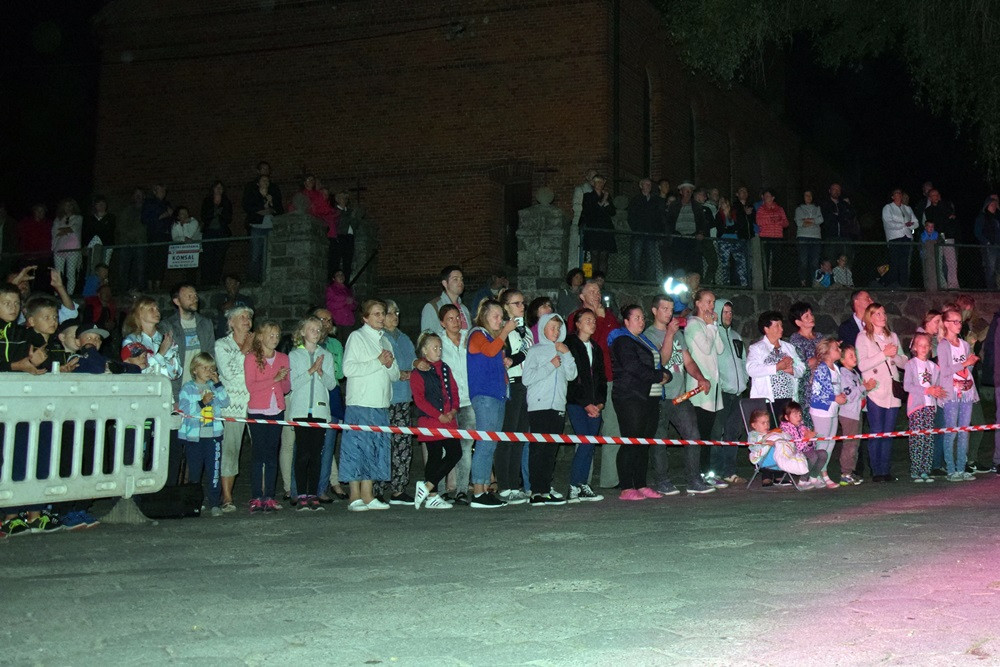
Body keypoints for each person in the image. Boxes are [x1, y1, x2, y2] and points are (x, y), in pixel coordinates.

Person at [643, 295, 715, 495]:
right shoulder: (648, 334)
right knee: (660, 439)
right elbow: (660, 361)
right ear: (655, 311)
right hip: (659, 395)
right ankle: (662, 481)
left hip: (680, 396)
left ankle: (693, 479)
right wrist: (668, 335)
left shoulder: (678, 334)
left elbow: (688, 361)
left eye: (671, 309)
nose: (668, 313)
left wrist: (701, 378)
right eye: (664, 309)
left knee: (693, 435)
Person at [340, 300, 400, 511]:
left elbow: (394, 374)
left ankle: (368, 493)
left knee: (375, 448)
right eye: (376, 314)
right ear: (365, 317)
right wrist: (377, 361)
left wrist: (389, 363)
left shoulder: (386, 341)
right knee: (357, 448)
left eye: (383, 313)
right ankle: (354, 494)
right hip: (361, 402)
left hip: (380, 403)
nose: (381, 317)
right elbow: (348, 369)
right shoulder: (357, 337)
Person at [607, 304, 670, 500]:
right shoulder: (622, 341)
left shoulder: (643, 341)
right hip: (630, 397)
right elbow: (633, 367)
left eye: (643, 318)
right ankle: (626, 486)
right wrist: (659, 375)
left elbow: (654, 365)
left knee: (644, 442)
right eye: (636, 318)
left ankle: (641, 484)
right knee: (631, 440)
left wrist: (665, 374)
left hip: (649, 397)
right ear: (626, 322)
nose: (641, 321)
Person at [567, 279, 621, 488]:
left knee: (612, 429)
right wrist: (597, 320)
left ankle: (610, 479)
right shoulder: (576, 318)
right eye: (591, 291)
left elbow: (616, 340)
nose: (596, 294)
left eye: (598, 291)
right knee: (586, 434)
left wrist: (604, 318)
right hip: (587, 384)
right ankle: (582, 480)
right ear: (581, 296)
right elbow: (587, 344)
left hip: (608, 379)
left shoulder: (608, 316)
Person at [466, 299, 517, 508]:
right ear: (484, 317)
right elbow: (487, 351)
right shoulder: (477, 333)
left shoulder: (492, 338)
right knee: (485, 443)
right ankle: (478, 491)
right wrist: (505, 332)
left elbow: (492, 356)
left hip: (497, 396)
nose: (500, 320)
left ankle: (485, 488)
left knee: (491, 444)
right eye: (495, 316)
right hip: (485, 396)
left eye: (501, 316)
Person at [522, 313, 577, 505]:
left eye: (558, 328)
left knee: (551, 450)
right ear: (543, 328)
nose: (556, 331)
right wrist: (550, 365)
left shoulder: (563, 350)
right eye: (552, 327)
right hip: (539, 406)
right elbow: (527, 379)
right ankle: (536, 491)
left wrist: (567, 353)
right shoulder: (535, 351)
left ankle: (546, 489)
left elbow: (572, 375)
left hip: (558, 406)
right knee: (538, 449)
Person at [746, 310, 806, 484]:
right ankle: (766, 473)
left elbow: (801, 369)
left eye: (781, 324)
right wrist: (777, 367)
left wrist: (791, 370)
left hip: (786, 398)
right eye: (776, 325)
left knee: (784, 435)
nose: (781, 328)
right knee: (768, 435)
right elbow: (751, 369)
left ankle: (781, 470)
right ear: (766, 328)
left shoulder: (789, 347)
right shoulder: (757, 348)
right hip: (768, 399)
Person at [287, 316, 338, 510]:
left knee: (317, 454)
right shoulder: (294, 355)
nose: (316, 333)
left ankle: (313, 494)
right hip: (300, 411)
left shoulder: (326, 355)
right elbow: (292, 384)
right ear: (302, 332)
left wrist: (320, 372)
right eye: (311, 329)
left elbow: (332, 384)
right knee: (302, 454)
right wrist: (311, 370)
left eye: (318, 330)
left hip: (319, 410)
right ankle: (300, 494)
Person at [855, 302, 907, 482]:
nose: (882, 316)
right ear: (869, 317)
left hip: (892, 391)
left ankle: (885, 469)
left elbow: (904, 362)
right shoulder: (863, 338)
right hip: (875, 390)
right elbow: (862, 364)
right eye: (877, 313)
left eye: (883, 313)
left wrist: (895, 356)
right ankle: (876, 470)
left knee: (889, 432)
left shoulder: (892, 336)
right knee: (877, 430)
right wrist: (884, 354)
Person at [409, 332, 462, 510]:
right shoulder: (419, 372)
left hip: (449, 420)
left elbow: (454, 391)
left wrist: (453, 410)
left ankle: (427, 487)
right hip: (431, 420)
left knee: (455, 452)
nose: (438, 351)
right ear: (424, 350)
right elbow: (419, 400)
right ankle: (432, 495)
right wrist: (439, 415)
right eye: (434, 348)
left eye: (440, 347)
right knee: (434, 455)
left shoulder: (445, 367)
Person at [243, 320, 291, 513]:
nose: (275, 339)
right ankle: (256, 496)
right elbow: (251, 386)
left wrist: (283, 380)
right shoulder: (251, 358)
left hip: (277, 410)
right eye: (270, 335)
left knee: (272, 454)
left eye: (277, 335)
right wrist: (274, 379)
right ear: (260, 337)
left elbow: (287, 388)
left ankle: (270, 495)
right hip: (257, 410)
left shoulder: (283, 358)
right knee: (258, 455)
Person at [177, 352, 230, 517]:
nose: (208, 371)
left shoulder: (214, 387)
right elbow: (184, 410)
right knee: (194, 472)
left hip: (213, 436)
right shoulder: (188, 388)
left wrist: (218, 384)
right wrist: (202, 402)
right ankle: (195, 503)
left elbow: (225, 402)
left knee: (214, 470)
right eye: (204, 368)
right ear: (194, 370)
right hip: (194, 437)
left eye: (211, 368)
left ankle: (214, 502)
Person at [683, 289, 727, 487]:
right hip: (700, 390)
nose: (711, 306)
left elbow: (719, 349)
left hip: (714, 389)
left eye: (713, 302)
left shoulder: (708, 325)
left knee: (709, 434)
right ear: (699, 304)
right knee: (701, 432)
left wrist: (714, 325)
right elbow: (706, 347)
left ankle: (707, 472)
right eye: (708, 301)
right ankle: (698, 473)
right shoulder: (693, 325)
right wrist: (710, 326)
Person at [376, 300, 416, 505]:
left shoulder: (405, 339)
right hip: (384, 398)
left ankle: (399, 489)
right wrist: (397, 373)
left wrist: (416, 368)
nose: (394, 317)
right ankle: (377, 488)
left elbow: (412, 362)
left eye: (397, 312)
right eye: (390, 313)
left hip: (403, 398)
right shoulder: (378, 338)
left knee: (402, 445)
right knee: (382, 443)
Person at [214, 305, 253, 512]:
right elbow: (228, 373)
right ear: (231, 322)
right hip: (233, 407)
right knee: (230, 451)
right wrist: (244, 351)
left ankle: (261, 495)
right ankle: (227, 496)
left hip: (256, 403)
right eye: (242, 317)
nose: (247, 321)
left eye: (249, 317)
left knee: (261, 450)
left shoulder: (257, 343)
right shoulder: (222, 345)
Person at [565, 308, 606, 502]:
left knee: (590, 444)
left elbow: (601, 378)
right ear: (578, 324)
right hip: (576, 403)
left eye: (594, 320)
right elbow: (572, 379)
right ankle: (574, 485)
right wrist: (585, 403)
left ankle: (582, 485)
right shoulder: (570, 344)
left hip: (594, 405)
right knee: (585, 441)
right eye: (587, 320)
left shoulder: (596, 348)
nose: (592, 323)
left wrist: (599, 402)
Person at [937, 307, 980, 482]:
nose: (958, 324)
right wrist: (964, 363)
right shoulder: (943, 345)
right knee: (951, 431)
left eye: (959, 321)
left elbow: (967, 369)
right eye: (954, 321)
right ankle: (951, 468)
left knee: (964, 431)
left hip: (966, 391)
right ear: (946, 324)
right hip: (951, 393)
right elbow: (945, 370)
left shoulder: (964, 344)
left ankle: (962, 468)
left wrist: (970, 364)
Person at [498, 290, 530, 504]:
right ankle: (504, 486)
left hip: (526, 385)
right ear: (506, 306)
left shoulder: (525, 329)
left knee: (519, 437)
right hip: (511, 385)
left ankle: (514, 484)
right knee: (507, 437)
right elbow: (505, 358)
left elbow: (528, 352)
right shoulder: (502, 329)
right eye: (516, 303)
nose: (521, 306)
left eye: (522, 303)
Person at [713, 299, 749, 485]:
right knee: (718, 433)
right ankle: (715, 472)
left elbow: (742, 361)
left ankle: (729, 471)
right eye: (724, 312)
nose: (728, 315)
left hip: (738, 394)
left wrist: (744, 380)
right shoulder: (712, 334)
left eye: (730, 312)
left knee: (733, 433)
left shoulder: (736, 336)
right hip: (722, 392)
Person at [160, 283, 216, 399]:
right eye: (189, 296)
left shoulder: (206, 323)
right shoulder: (167, 326)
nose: (194, 299)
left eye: (195, 295)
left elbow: (211, 355)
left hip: (202, 387)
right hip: (177, 388)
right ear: (177, 301)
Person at [903, 333, 944, 483]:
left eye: (926, 345)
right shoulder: (911, 364)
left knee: (928, 438)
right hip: (917, 406)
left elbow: (937, 385)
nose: (924, 348)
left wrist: (938, 392)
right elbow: (907, 386)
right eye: (920, 345)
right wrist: (927, 390)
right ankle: (916, 470)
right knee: (917, 438)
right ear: (914, 347)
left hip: (930, 406)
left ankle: (926, 470)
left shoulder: (934, 367)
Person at [808, 337, 846, 488]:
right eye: (837, 349)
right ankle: (814, 474)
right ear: (828, 353)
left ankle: (823, 472)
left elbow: (836, 388)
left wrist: (840, 396)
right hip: (821, 411)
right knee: (822, 443)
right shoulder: (822, 368)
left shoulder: (835, 368)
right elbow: (817, 392)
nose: (840, 350)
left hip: (832, 410)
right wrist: (834, 397)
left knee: (830, 442)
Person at [837, 344, 875, 485]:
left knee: (855, 443)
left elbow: (859, 392)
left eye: (855, 355)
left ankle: (849, 472)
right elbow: (850, 394)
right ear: (842, 360)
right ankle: (845, 472)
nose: (854, 358)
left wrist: (865, 388)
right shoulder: (844, 374)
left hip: (856, 412)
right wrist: (864, 387)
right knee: (850, 444)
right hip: (849, 414)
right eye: (850, 356)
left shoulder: (854, 373)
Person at [789, 302, 823, 430]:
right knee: (809, 424)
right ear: (798, 322)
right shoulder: (796, 339)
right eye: (806, 316)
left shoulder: (819, 337)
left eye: (811, 314)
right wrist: (815, 360)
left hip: (822, 384)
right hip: (807, 387)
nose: (811, 317)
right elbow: (801, 364)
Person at [778, 402, 826, 490]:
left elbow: (812, 445)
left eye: (800, 414)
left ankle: (813, 478)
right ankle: (802, 481)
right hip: (793, 453)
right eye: (795, 415)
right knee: (813, 456)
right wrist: (806, 441)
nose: (799, 417)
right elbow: (795, 446)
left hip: (805, 451)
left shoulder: (802, 426)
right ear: (786, 417)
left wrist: (810, 442)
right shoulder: (785, 429)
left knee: (823, 453)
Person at [243, 174, 277, 283]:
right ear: (258, 183)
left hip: (270, 228)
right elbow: (252, 210)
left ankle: (265, 280)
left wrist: (270, 203)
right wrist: (264, 208)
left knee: (268, 255)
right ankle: (253, 281)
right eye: (263, 180)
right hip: (257, 228)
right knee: (255, 255)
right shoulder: (253, 195)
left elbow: (277, 210)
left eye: (267, 180)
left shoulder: (273, 195)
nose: (266, 182)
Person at [921, 189, 958, 289]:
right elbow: (933, 222)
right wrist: (946, 219)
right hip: (936, 237)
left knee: (951, 261)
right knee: (938, 261)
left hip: (948, 235)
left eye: (937, 195)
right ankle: (942, 285)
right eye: (932, 195)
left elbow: (952, 218)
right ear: (929, 198)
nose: (935, 197)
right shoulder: (928, 210)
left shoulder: (946, 205)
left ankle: (953, 285)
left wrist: (946, 214)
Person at [580, 174, 617, 274]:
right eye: (597, 182)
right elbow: (592, 211)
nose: (600, 184)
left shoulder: (608, 196)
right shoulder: (588, 196)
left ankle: (601, 280)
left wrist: (607, 203)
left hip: (605, 229)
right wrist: (604, 200)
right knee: (594, 254)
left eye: (601, 182)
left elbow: (613, 212)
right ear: (593, 183)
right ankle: (592, 279)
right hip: (593, 229)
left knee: (604, 255)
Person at [199, 180, 233, 287]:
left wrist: (221, 213)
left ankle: (215, 281)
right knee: (207, 258)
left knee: (219, 258)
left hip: (221, 232)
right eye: (217, 187)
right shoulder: (207, 201)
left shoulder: (226, 201)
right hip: (209, 232)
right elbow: (204, 216)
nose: (219, 190)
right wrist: (215, 211)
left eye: (221, 188)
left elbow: (228, 218)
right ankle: (206, 282)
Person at [627, 177, 662, 281]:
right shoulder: (636, 200)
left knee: (651, 258)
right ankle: (635, 280)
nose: (648, 186)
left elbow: (658, 217)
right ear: (641, 186)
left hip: (651, 234)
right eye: (646, 184)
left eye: (649, 184)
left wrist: (656, 230)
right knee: (636, 258)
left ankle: (650, 280)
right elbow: (631, 217)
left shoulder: (655, 201)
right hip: (638, 233)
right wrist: (636, 228)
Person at [881, 188, 917, 288]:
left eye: (900, 193)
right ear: (892, 196)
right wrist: (904, 224)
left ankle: (904, 285)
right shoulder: (888, 208)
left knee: (904, 263)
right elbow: (889, 223)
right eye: (896, 193)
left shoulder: (907, 208)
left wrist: (909, 226)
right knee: (895, 262)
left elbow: (916, 222)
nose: (899, 195)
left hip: (907, 237)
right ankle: (889, 283)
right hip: (894, 238)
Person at [420, 265, 471, 334]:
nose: (460, 282)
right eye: (455, 279)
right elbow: (427, 338)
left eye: (461, 279)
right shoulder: (433, 307)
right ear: (445, 283)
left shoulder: (464, 309)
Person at [141, 185, 174, 291]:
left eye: (164, 190)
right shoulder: (149, 203)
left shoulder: (167, 204)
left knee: (161, 260)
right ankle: (150, 286)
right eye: (161, 190)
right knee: (152, 260)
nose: (163, 192)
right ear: (155, 191)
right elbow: (145, 219)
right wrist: (163, 216)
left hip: (164, 236)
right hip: (154, 235)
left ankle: (158, 285)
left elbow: (171, 219)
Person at [756, 189, 790, 286]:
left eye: (768, 196)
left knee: (777, 261)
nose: (766, 198)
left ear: (773, 197)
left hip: (777, 237)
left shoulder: (780, 209)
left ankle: (776, 283)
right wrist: (772, 220)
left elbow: (786, 223)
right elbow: (759, 222)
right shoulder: (761, 209)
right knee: (765, 260)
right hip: (765, 237)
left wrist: (779, 221)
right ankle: (765, 283)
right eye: (764, 196)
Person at [115, 188, 147, 293]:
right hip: (126, 243)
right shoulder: (126, 210)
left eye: (140, 194)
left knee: (140, 267)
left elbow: (143, 228)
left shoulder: (147, 210)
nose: (138, 197)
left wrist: (136, 236)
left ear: (144, 196)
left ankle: (140, 288)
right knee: (123, 267)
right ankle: (123, 289)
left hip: (140, 242)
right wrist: (129, 236)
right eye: (136, 194)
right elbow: (121, 226)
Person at [820, 183, 859, 263]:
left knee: (846, 261)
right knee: (830, 261)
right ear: (829, 191)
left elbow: (851, 214)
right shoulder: (825, 204)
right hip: (830, 238)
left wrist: (839, 215)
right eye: (834, 189)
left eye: (838, 190)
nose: (836, 191)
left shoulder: (844, 204)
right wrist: (839, 216)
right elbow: (826, 217)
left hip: (845, 237)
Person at [716, 197, 750, 287]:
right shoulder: (719, 215)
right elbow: (720, 229)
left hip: (736, 240)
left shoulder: (735, 213)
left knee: (740, 262)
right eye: (722, 203)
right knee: (725, 263)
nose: (724, 205)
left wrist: (729, 229)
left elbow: (739, 226)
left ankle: (744, 283)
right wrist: (731, 229)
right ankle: (726, 283)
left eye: (725, 203)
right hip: (724, 241)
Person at [52, 199, 83, 295]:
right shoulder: (58, 219)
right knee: (58, 274)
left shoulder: (78, 218)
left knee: (71, 274)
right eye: (66, 205)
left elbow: (74, 228)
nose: (68, 208)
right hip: (59, 249)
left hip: (73, 249)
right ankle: (57, 294)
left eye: (70, 205)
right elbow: (55, 231)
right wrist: (66, 230)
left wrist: (64, 230)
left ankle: (70, 295)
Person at [794, 190, 824, 287]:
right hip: (803, 237)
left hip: (816, 237)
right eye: (806, 195)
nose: (808, 197)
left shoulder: (817, 208)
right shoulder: (799, 209)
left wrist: (806, 220)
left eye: (810, 195)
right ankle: (803, 282)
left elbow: (821, 220)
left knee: (815, 262)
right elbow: (799, 223)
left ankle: (814, 282)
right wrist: (814, 221)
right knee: (803, 261)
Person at [212, 274, 255, 339]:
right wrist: (232, 296)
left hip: (241, 336)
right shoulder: (220, 298)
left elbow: (250, 316)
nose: (228, 285)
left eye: (230, 282)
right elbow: (225, 308)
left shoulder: (246, 300)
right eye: (226, 283)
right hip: (223, 336)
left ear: (237, 283)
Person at [83, 195, 116, 274]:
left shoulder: (111, 217)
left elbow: (108, 230)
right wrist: (84, 245)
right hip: (91, 245)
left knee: (104, 266)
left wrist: (97, 227)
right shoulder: (89, 219)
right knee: (93, 267)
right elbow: (86, 232)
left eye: (103, 203)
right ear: (95, 205)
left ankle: (103, 285)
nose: (101, 205)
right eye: (99, 203)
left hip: (107, 245)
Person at [974, 196, 1000, 289]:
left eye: (995, 205)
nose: (994, 206)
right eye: (992, 205)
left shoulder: (997, 217)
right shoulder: (982, 217)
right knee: (990, 268)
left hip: (998, 246)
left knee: (998, 268)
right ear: (987, 206)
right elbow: (977, 232)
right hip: (989, 247)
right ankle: (991, 290)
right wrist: (987, 242)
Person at [325, 269, 357, 337]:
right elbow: (330, 305)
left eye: (342, 275)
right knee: (338, 342)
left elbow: (354, 306)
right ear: (333, 278)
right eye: (338, 275)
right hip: (337, 320)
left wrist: (351, 303)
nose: (341, 276)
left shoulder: (347, 290)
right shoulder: (331, 289)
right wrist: (345, 302)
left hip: (348, 321)